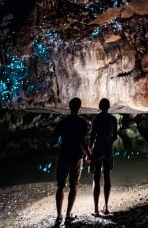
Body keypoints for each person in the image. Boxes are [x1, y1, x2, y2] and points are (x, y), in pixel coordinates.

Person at [51, 97, 89, 226]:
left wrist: (58, 145)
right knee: (73, 185)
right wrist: (88, 154)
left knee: (60, 186)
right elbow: (82, 141)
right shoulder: (82, 123)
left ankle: (58, 216)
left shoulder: (63, 122)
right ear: (79, 107)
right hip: (76, 156)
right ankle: (68, 215)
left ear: (69, 106)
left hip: (64, 155)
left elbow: (54, 141)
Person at [89, 97, 118, 217]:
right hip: (107, 149)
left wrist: (90, 151)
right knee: (107, 177)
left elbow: (92, 137)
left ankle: (96, 210)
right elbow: (115, 136)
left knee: (96, 179)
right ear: (108, 107)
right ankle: (106, 207)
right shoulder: (113, 119)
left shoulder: (96, 119)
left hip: (98, 149)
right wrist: (110, 145)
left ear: (100, 107)